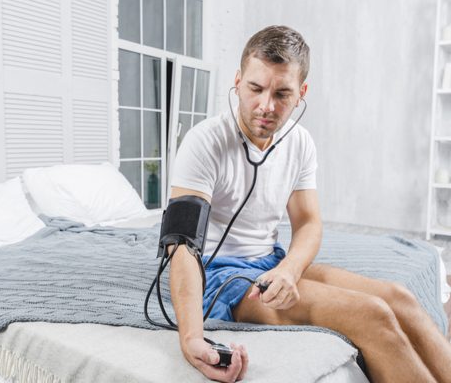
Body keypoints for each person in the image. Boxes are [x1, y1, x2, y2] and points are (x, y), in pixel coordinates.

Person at [168, 25, 451, 383]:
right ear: (238, 82)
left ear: (301, 93)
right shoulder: (203, 143)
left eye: (282, 93)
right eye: (255, 88)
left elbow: (308, 222)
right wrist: (191, 338)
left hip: (270, 262)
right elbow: (181, 245)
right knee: (371, 313)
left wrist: (289, 269)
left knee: (400, 298)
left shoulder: (299, 142)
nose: (266, 106)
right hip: (220, 277)